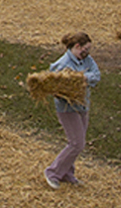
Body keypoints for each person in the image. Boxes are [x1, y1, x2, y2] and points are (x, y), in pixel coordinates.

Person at [41, 32, 99, 189]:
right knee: (77, 143)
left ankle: (67, 173)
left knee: (78, 142)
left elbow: (97, 75)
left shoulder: (86, 59)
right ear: (77, 46)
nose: (87, 53)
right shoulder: (62, 64)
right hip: (68, 109)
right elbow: (52, 85)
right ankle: (52, 172)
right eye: (85, 49)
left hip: (83, 106)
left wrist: (82, 78)